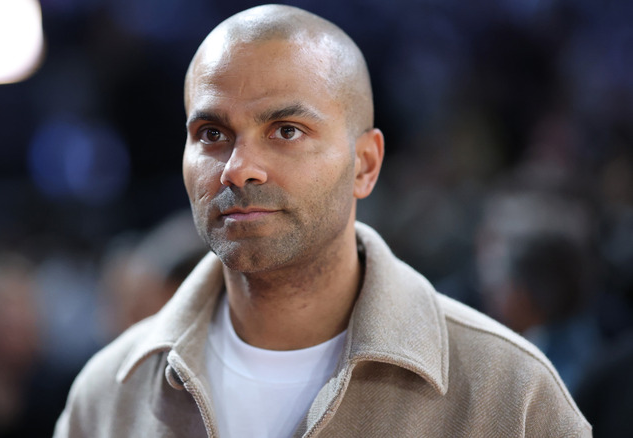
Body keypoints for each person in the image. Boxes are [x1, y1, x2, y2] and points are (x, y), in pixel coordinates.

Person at [55, 5, 590, 437]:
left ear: (366, 164)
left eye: (286, 131)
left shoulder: (509, 394)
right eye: (212, 134)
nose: (240, 168)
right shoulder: (107, 396)